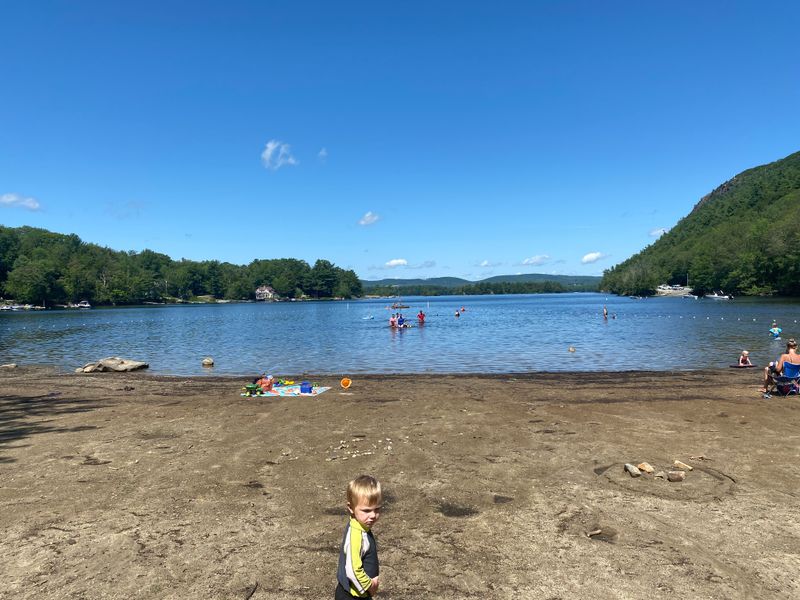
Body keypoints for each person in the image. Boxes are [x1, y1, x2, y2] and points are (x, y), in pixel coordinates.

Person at [335, 475, 382, 599]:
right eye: (366, 511)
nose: (372, 515)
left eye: (377, 509)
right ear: (351, 508)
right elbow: (352, 570)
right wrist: (369, 586)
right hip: (352, 595)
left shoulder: (360, 526)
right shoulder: (356, 536)